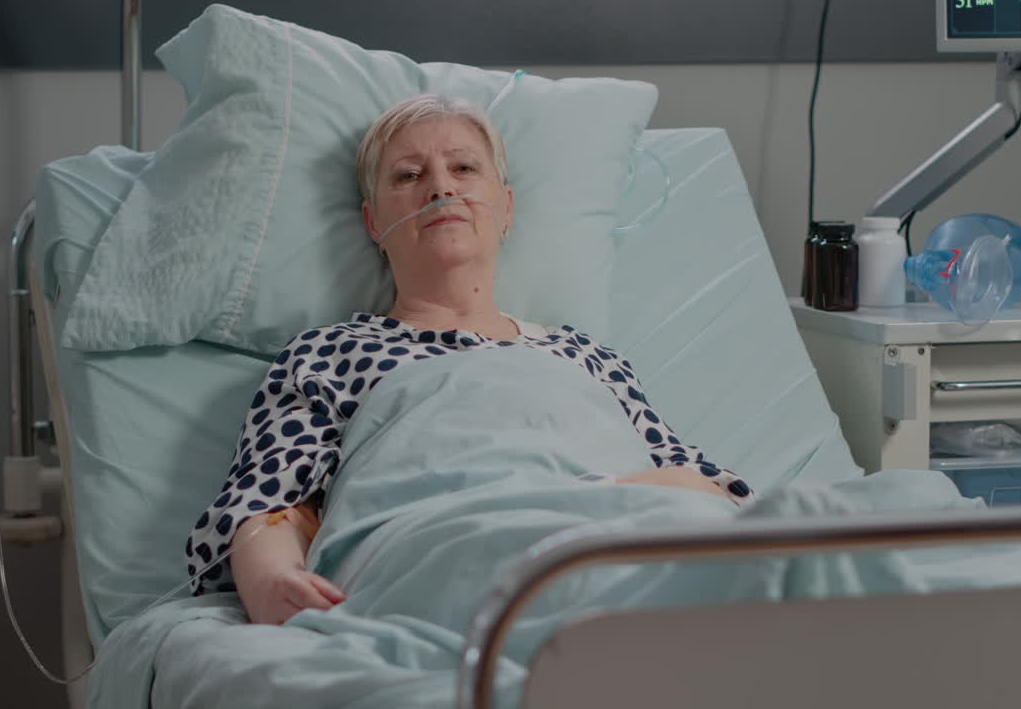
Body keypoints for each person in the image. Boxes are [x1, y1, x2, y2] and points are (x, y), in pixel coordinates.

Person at [186, 94, 755, 625]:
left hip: (622, 532)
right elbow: (265, 504)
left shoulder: (587, 355)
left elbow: (701, 482)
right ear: (373, 223)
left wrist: (611, 498)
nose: (440, 189)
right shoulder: (328, 354)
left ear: (505, 208)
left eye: (464, 169)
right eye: (408, 176)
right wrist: (273, 582)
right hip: (445, 540)